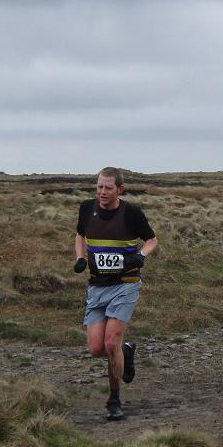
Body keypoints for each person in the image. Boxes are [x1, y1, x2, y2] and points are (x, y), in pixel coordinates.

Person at [74, 167, 158, 420]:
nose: (102, 192)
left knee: (111, 343)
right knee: (96, 349)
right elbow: (79, 234)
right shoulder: (87, 208)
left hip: (125, 284)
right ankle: (127, 351)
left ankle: (114, 400)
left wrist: (140, 256)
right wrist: (80, 258)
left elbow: (152, 240)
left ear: (119, 189)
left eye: (107, 188)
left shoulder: (132, 213)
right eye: (99, 186)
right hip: (97, 287)